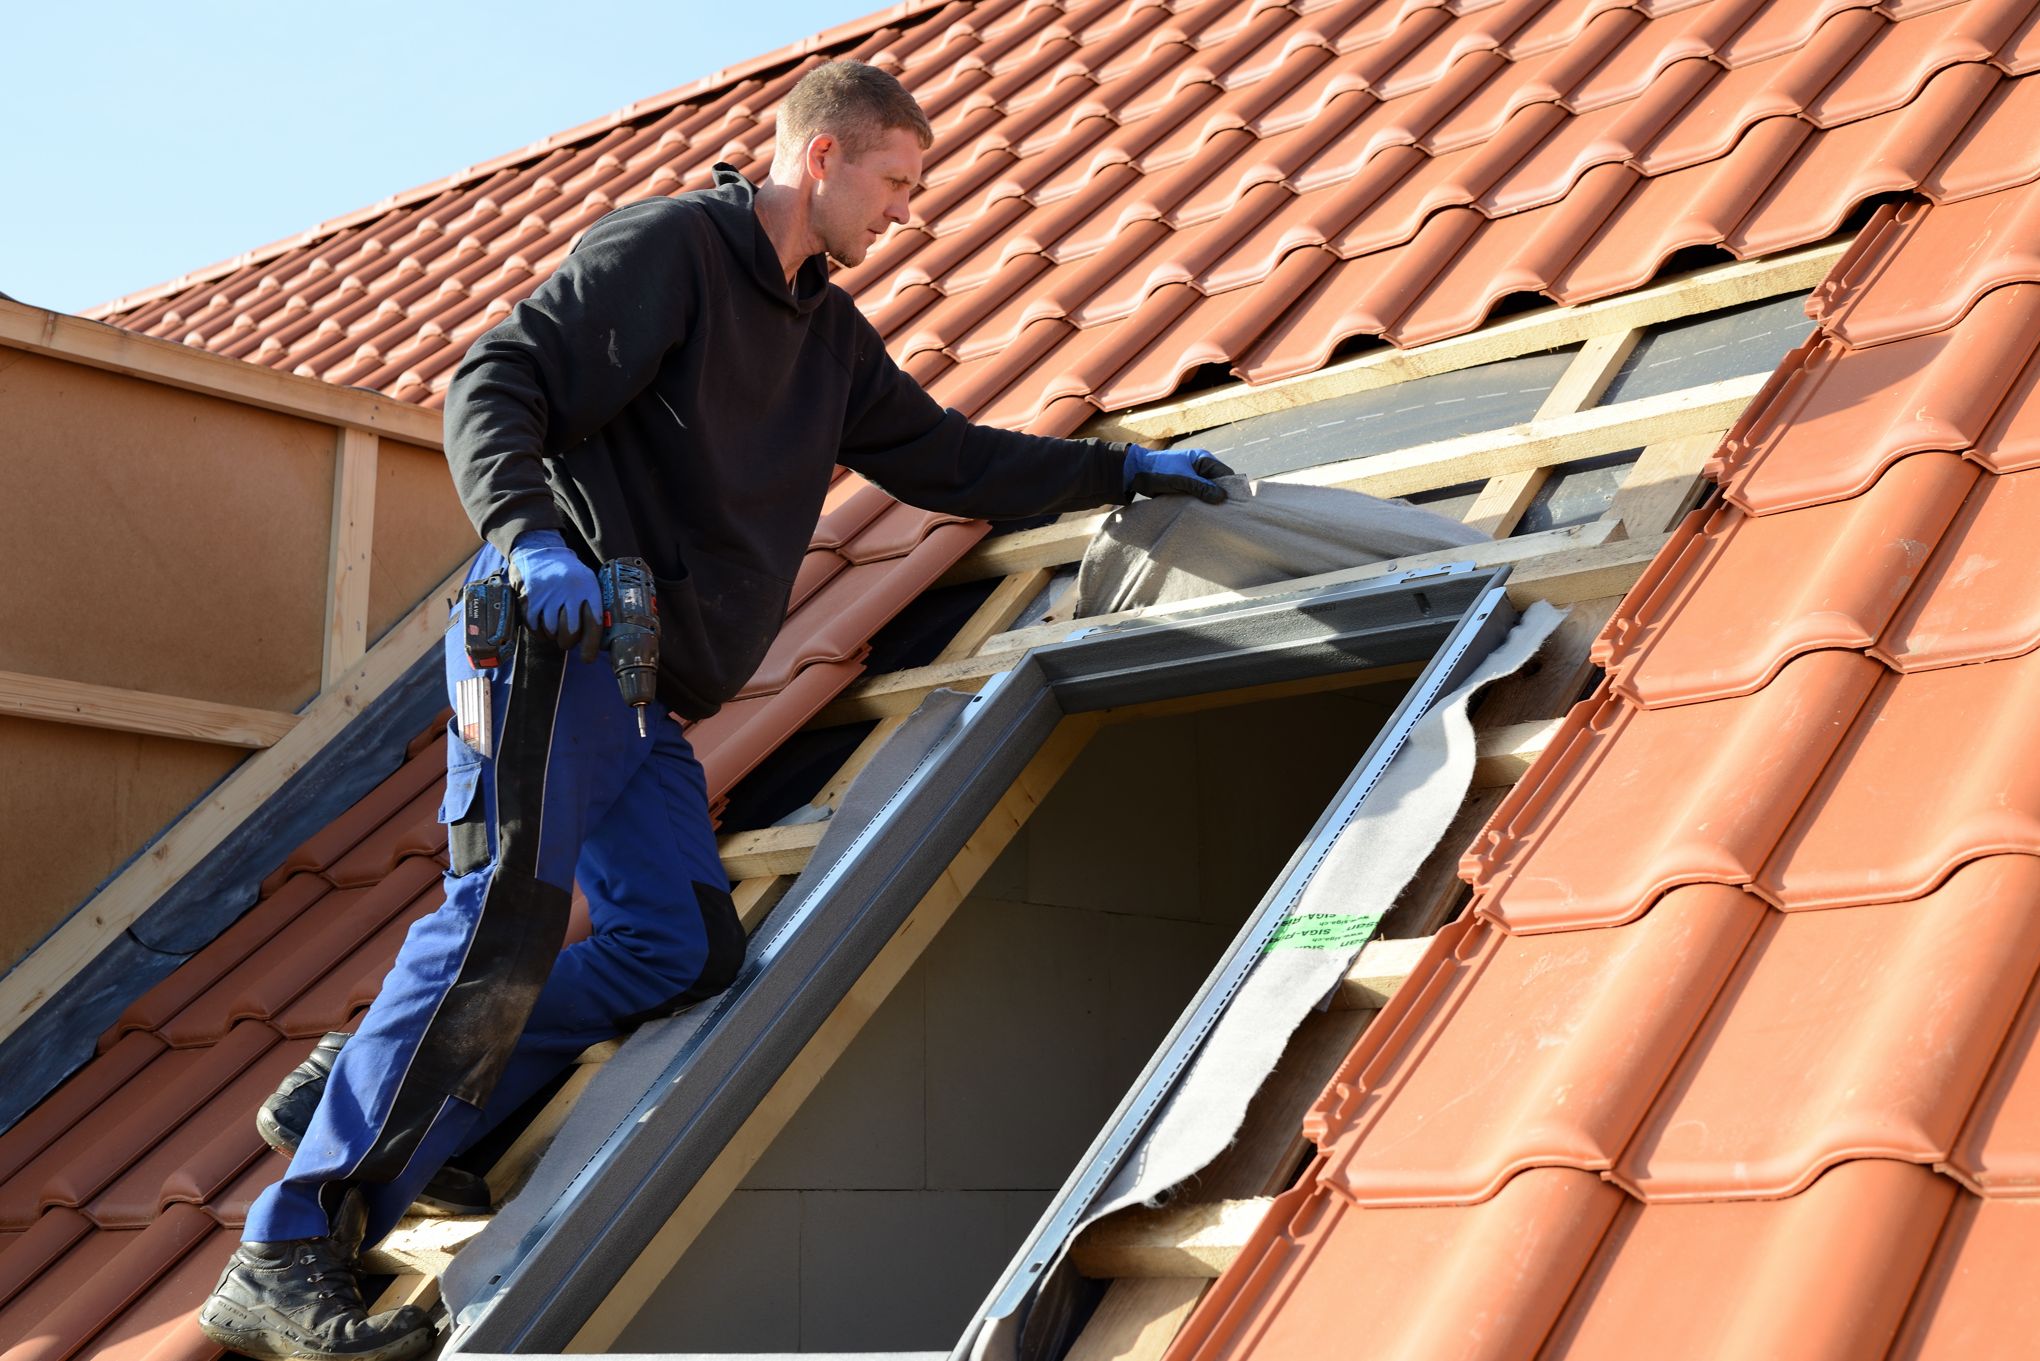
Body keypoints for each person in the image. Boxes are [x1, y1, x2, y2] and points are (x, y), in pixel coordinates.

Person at [196, 59, 1231, 1361]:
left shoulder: (828, 345)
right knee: (502, 918)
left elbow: (950, 457)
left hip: (643, 688)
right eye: (896, 184)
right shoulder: (675, 248)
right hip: (559, 630)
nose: (904, 214)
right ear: (820, 159)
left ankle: (393, 1090)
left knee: (682, 945)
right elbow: (493, 380)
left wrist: (1118, 466)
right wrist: (525, 535)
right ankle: (288, 1247)